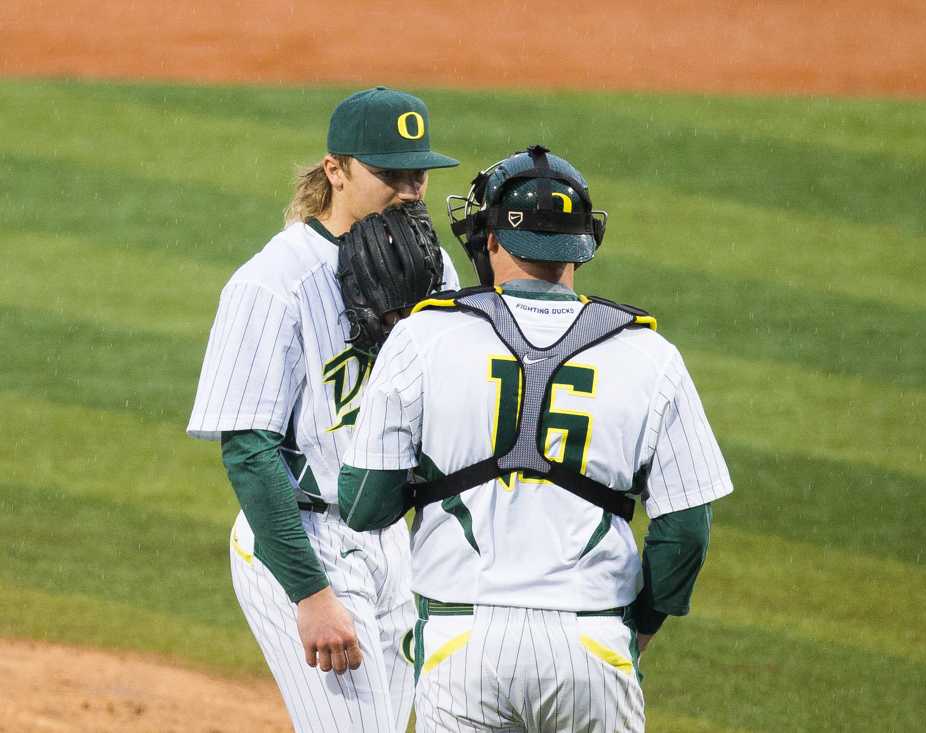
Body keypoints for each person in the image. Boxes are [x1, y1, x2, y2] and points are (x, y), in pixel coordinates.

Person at [337, 145, 733, 732]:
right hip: (592, 639)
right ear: (585, 245)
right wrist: (637, 628)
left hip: (461, 642)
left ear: (491, 240)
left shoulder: (423, 336)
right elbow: (686, 532)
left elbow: (364, 503)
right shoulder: (651, 354)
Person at [187, 86, 460, 733]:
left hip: (395, 541)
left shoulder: (435, 267)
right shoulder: (273, 282)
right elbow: (249, 451)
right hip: (305, 541)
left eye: (418, 172)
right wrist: (309, 594)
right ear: (335, 171)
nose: (409, 189)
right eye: (389, 173)